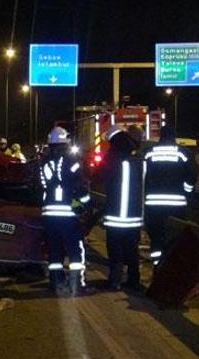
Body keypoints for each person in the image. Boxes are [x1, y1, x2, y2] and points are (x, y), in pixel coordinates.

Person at [39, 126, 91, 296]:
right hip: (68, 214)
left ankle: (56, 283)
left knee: (54, 251)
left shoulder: (44, 162)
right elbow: (80, 186)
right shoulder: (72, 161)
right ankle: (77, 284)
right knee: (75, 250)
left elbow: (40, 187)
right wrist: (86, 206)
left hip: (49, 214)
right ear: (65, 142)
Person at [143, 126, 196, 265]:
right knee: (175, 235)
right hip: (176, 204)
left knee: (156, 235)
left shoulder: (149, 153)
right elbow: (192, 175)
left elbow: (142, 176)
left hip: (153, 203)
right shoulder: (183, 153)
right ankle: (172, 264)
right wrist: (186, 192)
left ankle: (157, 264)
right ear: (174, 136)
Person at [101, 124, 144, 291]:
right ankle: (134, 281)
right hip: (134, 215)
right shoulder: (138, 156)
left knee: (115, 248)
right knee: (132, 250)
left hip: (115, 215)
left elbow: (98, 177)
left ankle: (115, 281)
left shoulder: (111, 157)